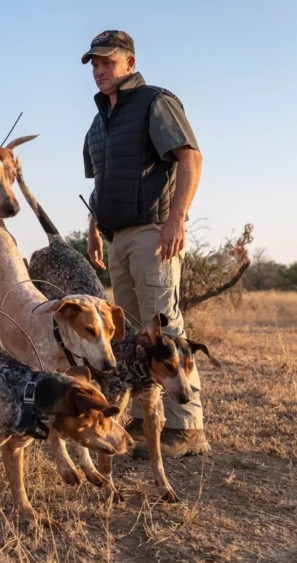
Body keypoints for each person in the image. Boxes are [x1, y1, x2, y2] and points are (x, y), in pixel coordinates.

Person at [81, 30, 208, 457]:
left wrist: (177, 219)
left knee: (165, 327)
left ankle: (187, 428)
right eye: (95, 64)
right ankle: (141, 419)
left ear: (130, 63)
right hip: (116, 237)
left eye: (108, 62)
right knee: (135, 337)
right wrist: (93, 228)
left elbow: (191, 157)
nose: (100, 70)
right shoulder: (98, 123)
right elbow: (102, 183)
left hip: (153, 232)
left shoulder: (155, 102)